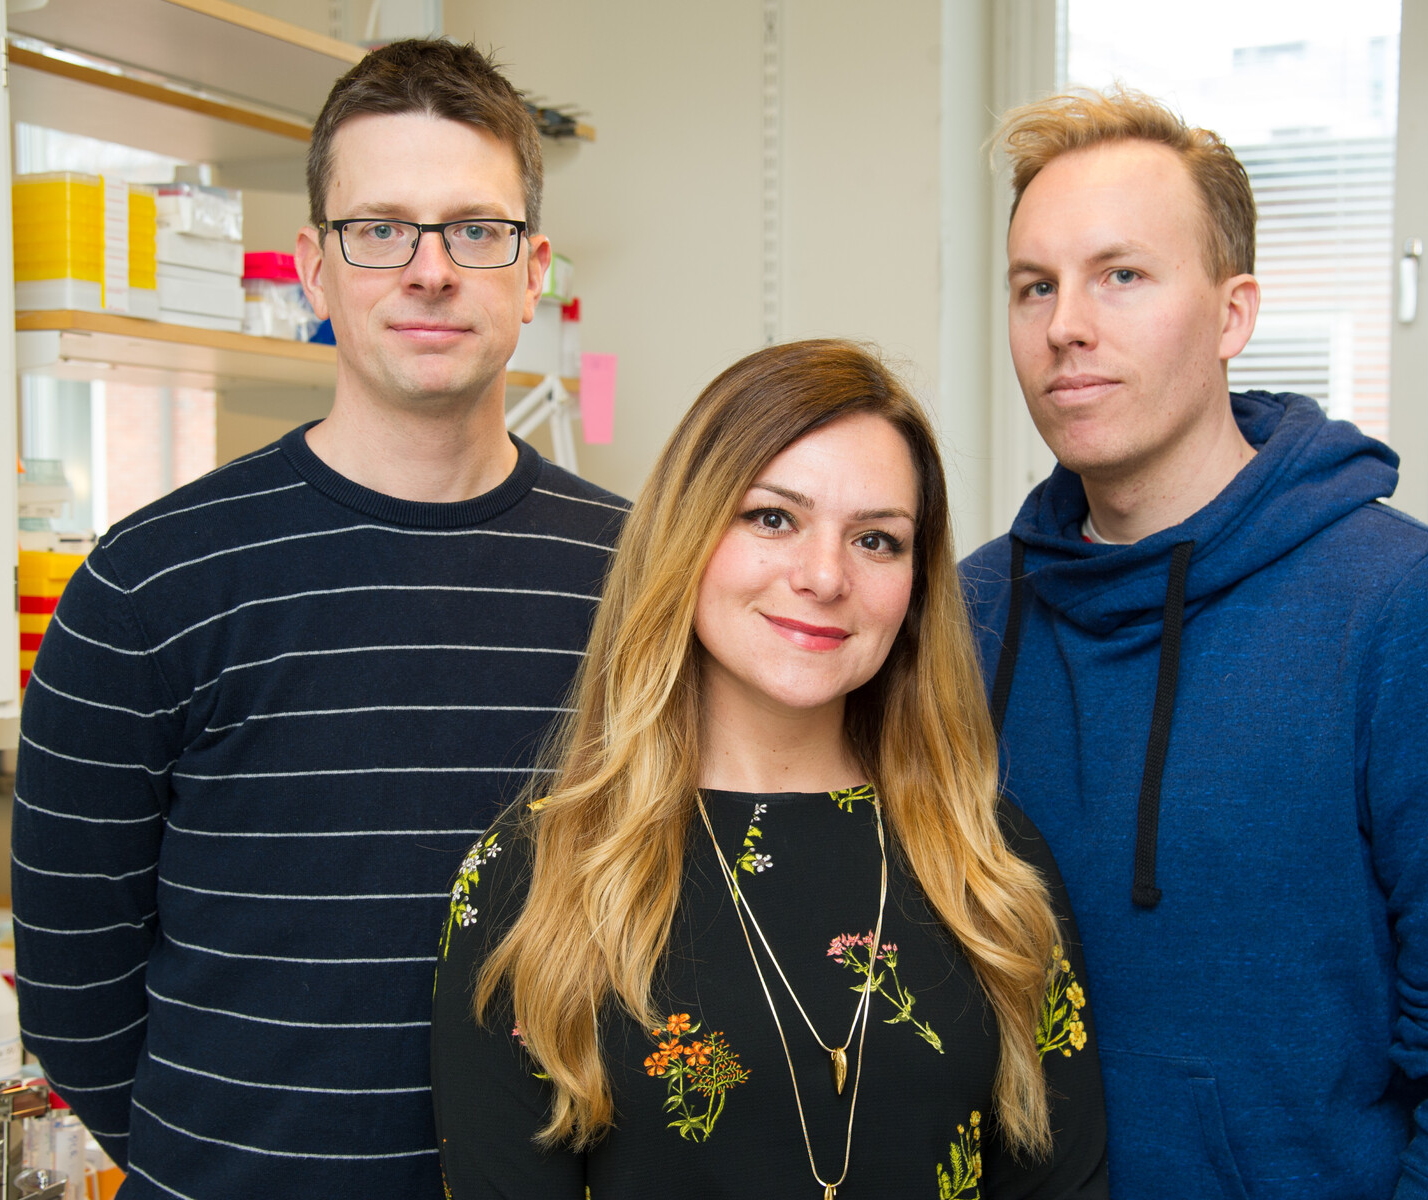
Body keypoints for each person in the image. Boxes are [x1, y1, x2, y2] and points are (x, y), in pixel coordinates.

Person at [10, 40, 626, 1199]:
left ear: (533, 268)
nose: (431, 270)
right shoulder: (147, 582)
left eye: (475, 230)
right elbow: (71, 991)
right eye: (381, 228)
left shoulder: (636, 575)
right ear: (314, 265)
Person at [961, 87, 1428, 1200]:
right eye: (1035, 286)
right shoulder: (966, 618)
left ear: (1232, 313)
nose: (1067, 323)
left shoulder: (1412, 611)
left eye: (1122, 275)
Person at [433, 339, 1107, 1199]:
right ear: (688, 534)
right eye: (773, 518)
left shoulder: (991, 863)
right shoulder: (533, 875)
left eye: (876, 539)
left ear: (915, 588)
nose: (825, 577)